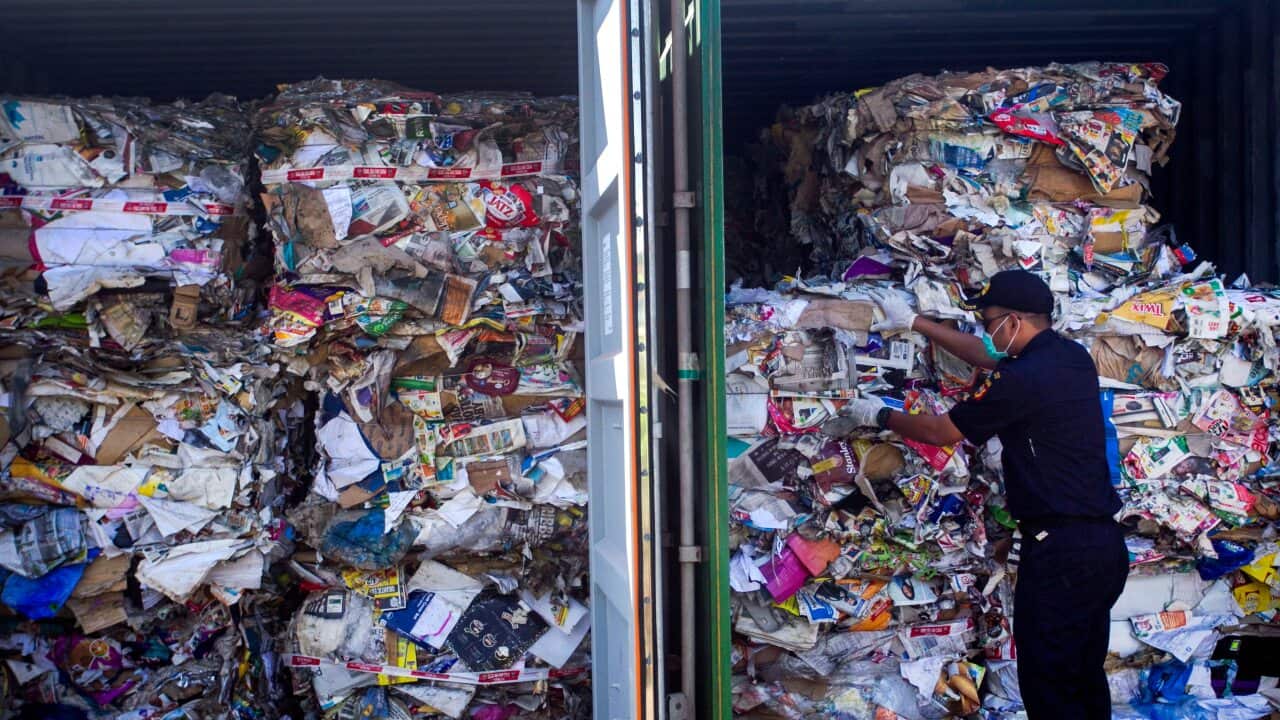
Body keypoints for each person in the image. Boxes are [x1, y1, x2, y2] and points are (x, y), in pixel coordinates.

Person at [844, 270, 1128, 720]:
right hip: (1102, 549)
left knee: (1049, 682)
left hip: (1061, 554)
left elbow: (942, 432)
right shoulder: (1069, 357)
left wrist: (880, 414)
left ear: (1013, 322)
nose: (985, 331)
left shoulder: (1023, 379)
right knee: (1081, 675)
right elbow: (987, 355)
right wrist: (916, 322)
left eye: (990, 321)